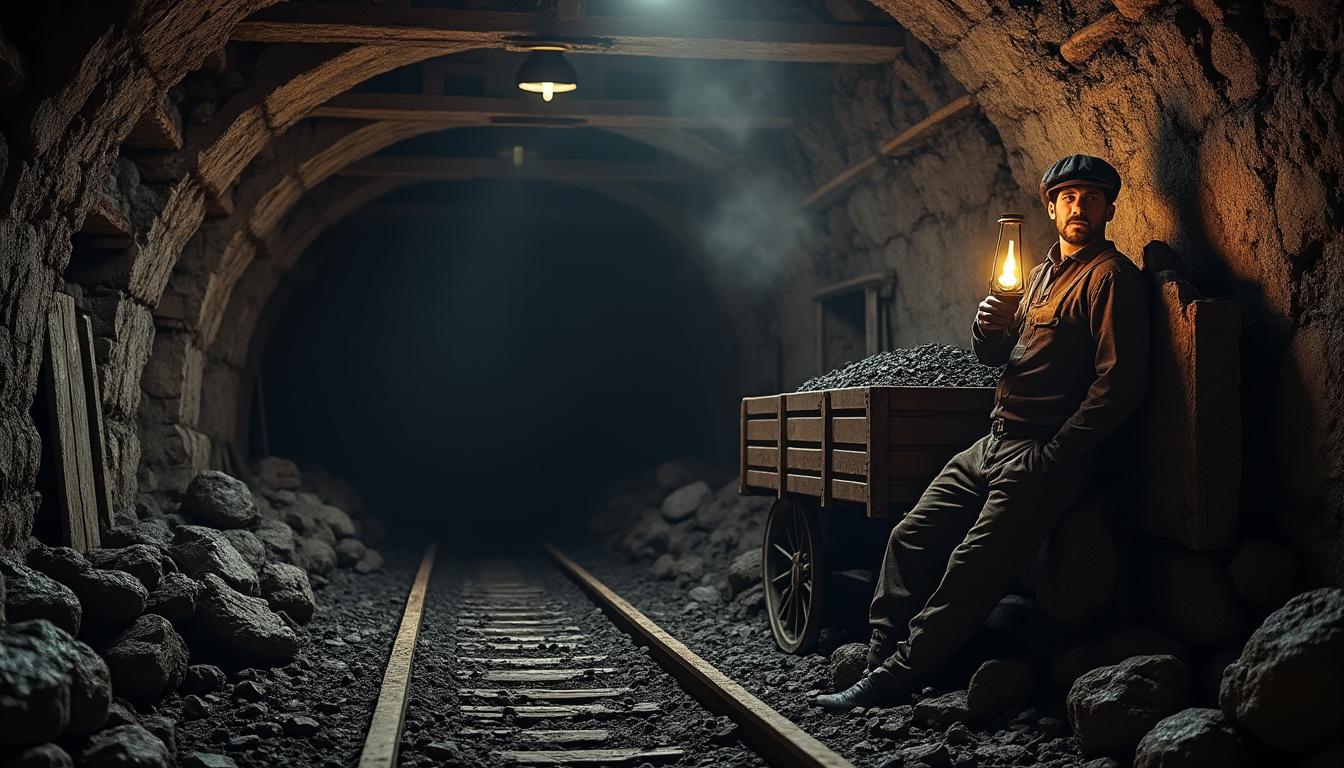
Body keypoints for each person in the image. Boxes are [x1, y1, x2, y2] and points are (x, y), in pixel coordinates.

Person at [813, 154, 1151, 712]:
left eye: (1091, 198)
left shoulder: (1110, 279)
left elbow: (1120, 383)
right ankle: (878, 654)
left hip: (1041, 452)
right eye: (1068, 197)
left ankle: (897, 678)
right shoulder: (1040, 273)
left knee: (972, 568)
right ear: (1050, 206)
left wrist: (1055, 454)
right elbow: (998, 356)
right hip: (992, 442)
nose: (1078, 207)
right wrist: (987, 329)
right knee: (910, 536)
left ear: (1110, 208)